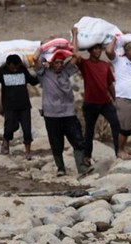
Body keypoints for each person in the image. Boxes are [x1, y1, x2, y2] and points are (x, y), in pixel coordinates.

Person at [32, 45, 92, 177]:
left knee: (77, 139)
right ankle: (61, 168)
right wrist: (43, 47)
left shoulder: (66, 71)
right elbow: (34, 59)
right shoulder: (44, 73)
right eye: (56, 63)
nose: (59, 65)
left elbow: (76, 56)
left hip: (68, 113)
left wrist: (68, 46)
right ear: (51, 63)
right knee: (56, 142)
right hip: (51, 115)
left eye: (61, 62)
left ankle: (82, 167)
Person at [71, 26, 122, 163]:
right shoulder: (85, 64)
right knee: (89, 130)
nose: (98, 51)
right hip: (90, 104)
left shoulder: (105, 65)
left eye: (100, 48)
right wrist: (74, 34)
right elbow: (74, 54)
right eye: (95, 48)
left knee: (116, 124)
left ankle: (119, 152)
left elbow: (110, 84)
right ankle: (87, 156)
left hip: (105, 102)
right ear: (89, 50)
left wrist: (116, 100)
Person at [0, 54, 39, 159]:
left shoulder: (23, 70)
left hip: (24, 106)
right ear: (8, 65)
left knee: (27, 130)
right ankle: (6, 140)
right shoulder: (2, 72)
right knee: (9, 128)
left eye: (16, 67)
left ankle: (28, 152)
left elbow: (33, 81)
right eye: (12, 67)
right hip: (9, 106)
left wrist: (41, 71)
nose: (15, 69)